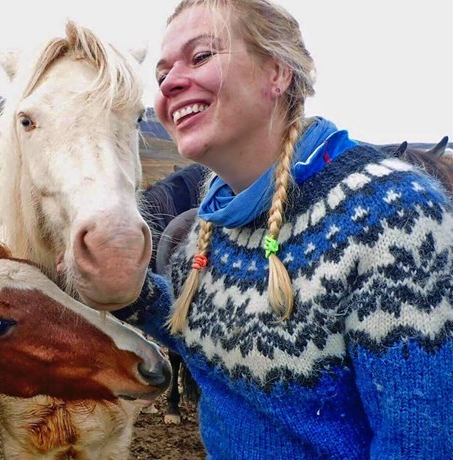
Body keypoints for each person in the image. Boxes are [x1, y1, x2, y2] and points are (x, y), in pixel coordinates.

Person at [113, 0, 453, 458]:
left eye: (201, 57)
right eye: (160, 75)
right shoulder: (213, 221)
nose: (170, 82)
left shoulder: (392, 217)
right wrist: (130, 291)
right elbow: (210, 337)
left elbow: (419, 445)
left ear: (277, 73)